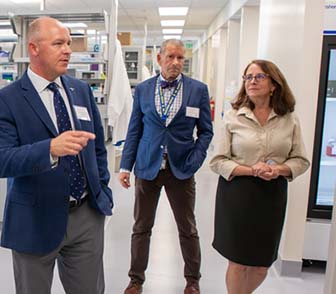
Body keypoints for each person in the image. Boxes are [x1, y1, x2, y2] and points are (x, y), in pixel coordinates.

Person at [0, 17, 113, 294]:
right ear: (34, 48)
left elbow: (98, 148)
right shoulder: (7, 100)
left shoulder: (80, 91)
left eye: (68, 43)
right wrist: (49, 149)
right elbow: (0, 160)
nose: (67, 50)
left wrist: (101, 191)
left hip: (85, 216)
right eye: (58, 43)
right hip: (34, 218)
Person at [119, 39, 213, 294]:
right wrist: (125, 166)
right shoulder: (143, 89)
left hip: (181, 169)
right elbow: (134, 130)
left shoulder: (198, 90)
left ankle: (192, 280)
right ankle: (136, 279)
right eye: (171, 57)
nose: (176, 62)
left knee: (188, 228)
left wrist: (195, 161)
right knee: (141, 227)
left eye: (181, 58)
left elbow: (206, 132)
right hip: (147, 168)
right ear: (159, 59)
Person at [209, 59, 310, 294]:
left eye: (259, 77)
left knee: (261, 266)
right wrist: (252, 169)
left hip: (271, 196)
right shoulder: (234, 116)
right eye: (248, 77)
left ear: (274, 84)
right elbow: (218, 161)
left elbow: (301, 160)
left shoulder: (289, 119)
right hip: (237, 194)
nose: (252, 82)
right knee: (238, 261)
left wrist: (278, 170)